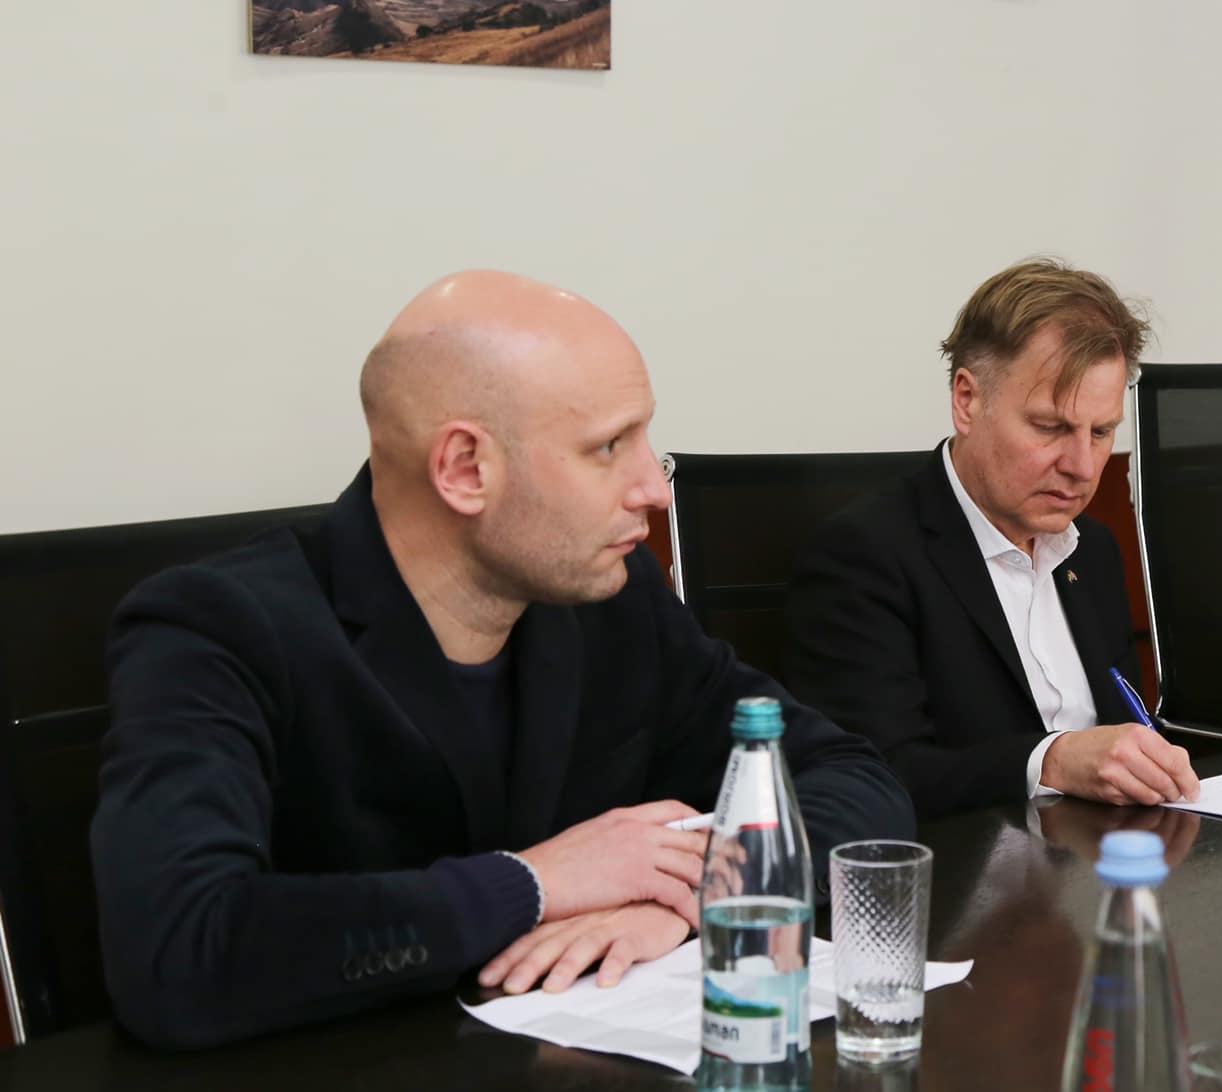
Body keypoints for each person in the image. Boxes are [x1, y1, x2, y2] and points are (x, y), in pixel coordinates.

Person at [91, 271, 913, 1050]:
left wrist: (698, 895)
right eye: (607, 446)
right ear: (464, 469)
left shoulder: (615, 600)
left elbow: (851, 777)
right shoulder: (215, 626)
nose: (654, 488)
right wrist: (531, 885)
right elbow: (177, 954)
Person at [782, 259, 1200, 818]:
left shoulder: (1093, 550)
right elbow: (872, 775)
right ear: (967, 401)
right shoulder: (864, 557)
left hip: (1106, 853)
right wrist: (1048, 761)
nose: (1082, 467)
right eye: (1050, 427)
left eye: (1101, 432)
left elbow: (1124, 732)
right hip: (964, 865)